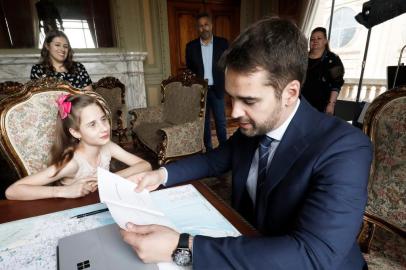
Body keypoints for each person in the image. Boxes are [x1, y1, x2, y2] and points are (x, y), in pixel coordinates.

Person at [121, 17, 372, 269]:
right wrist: (160, 174)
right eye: (231, 98)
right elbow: (215, 160)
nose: (235, 112)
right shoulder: (255, 126)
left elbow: (311, 255)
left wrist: (184, 247)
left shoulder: (345, 149)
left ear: (290, 93)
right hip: (249, 243)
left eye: (249, 101)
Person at [5, 94, 151, 200]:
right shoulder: (71, 163)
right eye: (92, 124)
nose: (104, 128)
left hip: (100, 203)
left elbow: (145, 165)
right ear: (75, 132)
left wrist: (109, 178)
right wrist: (64, 191)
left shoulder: (108, 147)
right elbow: (12, 191)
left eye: (103, 119)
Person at [186, 12, 228, 151]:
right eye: (200, 26)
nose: (204, 28)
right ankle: (209, 150)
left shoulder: (223, 43)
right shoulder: (191, 47)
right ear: (197, 28)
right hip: (201, 90)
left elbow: (229, 64)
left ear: (211, 25)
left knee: (221, 122)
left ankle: (224, 149)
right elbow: (190, 68)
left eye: (206, 25)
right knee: (204, 123)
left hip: (218, 89)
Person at [301, 27, 345, 114]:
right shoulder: (301, 57)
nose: (315, 41)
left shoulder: (333, 59)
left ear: (325, 41)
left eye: (319, 38)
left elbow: (337, 83)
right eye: (312, 39)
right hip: (300, 104)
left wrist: (331, 105)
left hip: (322, 107)